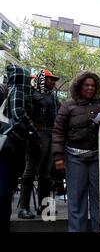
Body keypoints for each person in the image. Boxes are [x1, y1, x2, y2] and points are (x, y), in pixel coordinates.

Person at [52, 71, 100, 232]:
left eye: (92, 85)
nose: (90, 88)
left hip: (98, 157)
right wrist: (58, 156)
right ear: (79, 86)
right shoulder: (68, 106)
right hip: (74, 158)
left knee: (99, 199)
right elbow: (58, 131)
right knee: (77, 199)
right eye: (86, 85)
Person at [0, 64, 39, 231]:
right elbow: (18, 113)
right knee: (4, 191)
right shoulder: (19, 92)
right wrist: (33, 131)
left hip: (11, 146)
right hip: (9, 146)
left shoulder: (14, 91)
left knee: (7, 189)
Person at [18, 70, 61, 219]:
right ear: (42, 79)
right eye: (51, 79)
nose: (53, 82)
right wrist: (32, 135)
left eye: (54, 80)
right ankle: (24, 208)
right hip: (38, 133)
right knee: (30, 171)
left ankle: (45, 207)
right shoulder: (31, 94)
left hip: (51, 133)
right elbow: (26, 114)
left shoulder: (53, 97)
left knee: (46, 173)